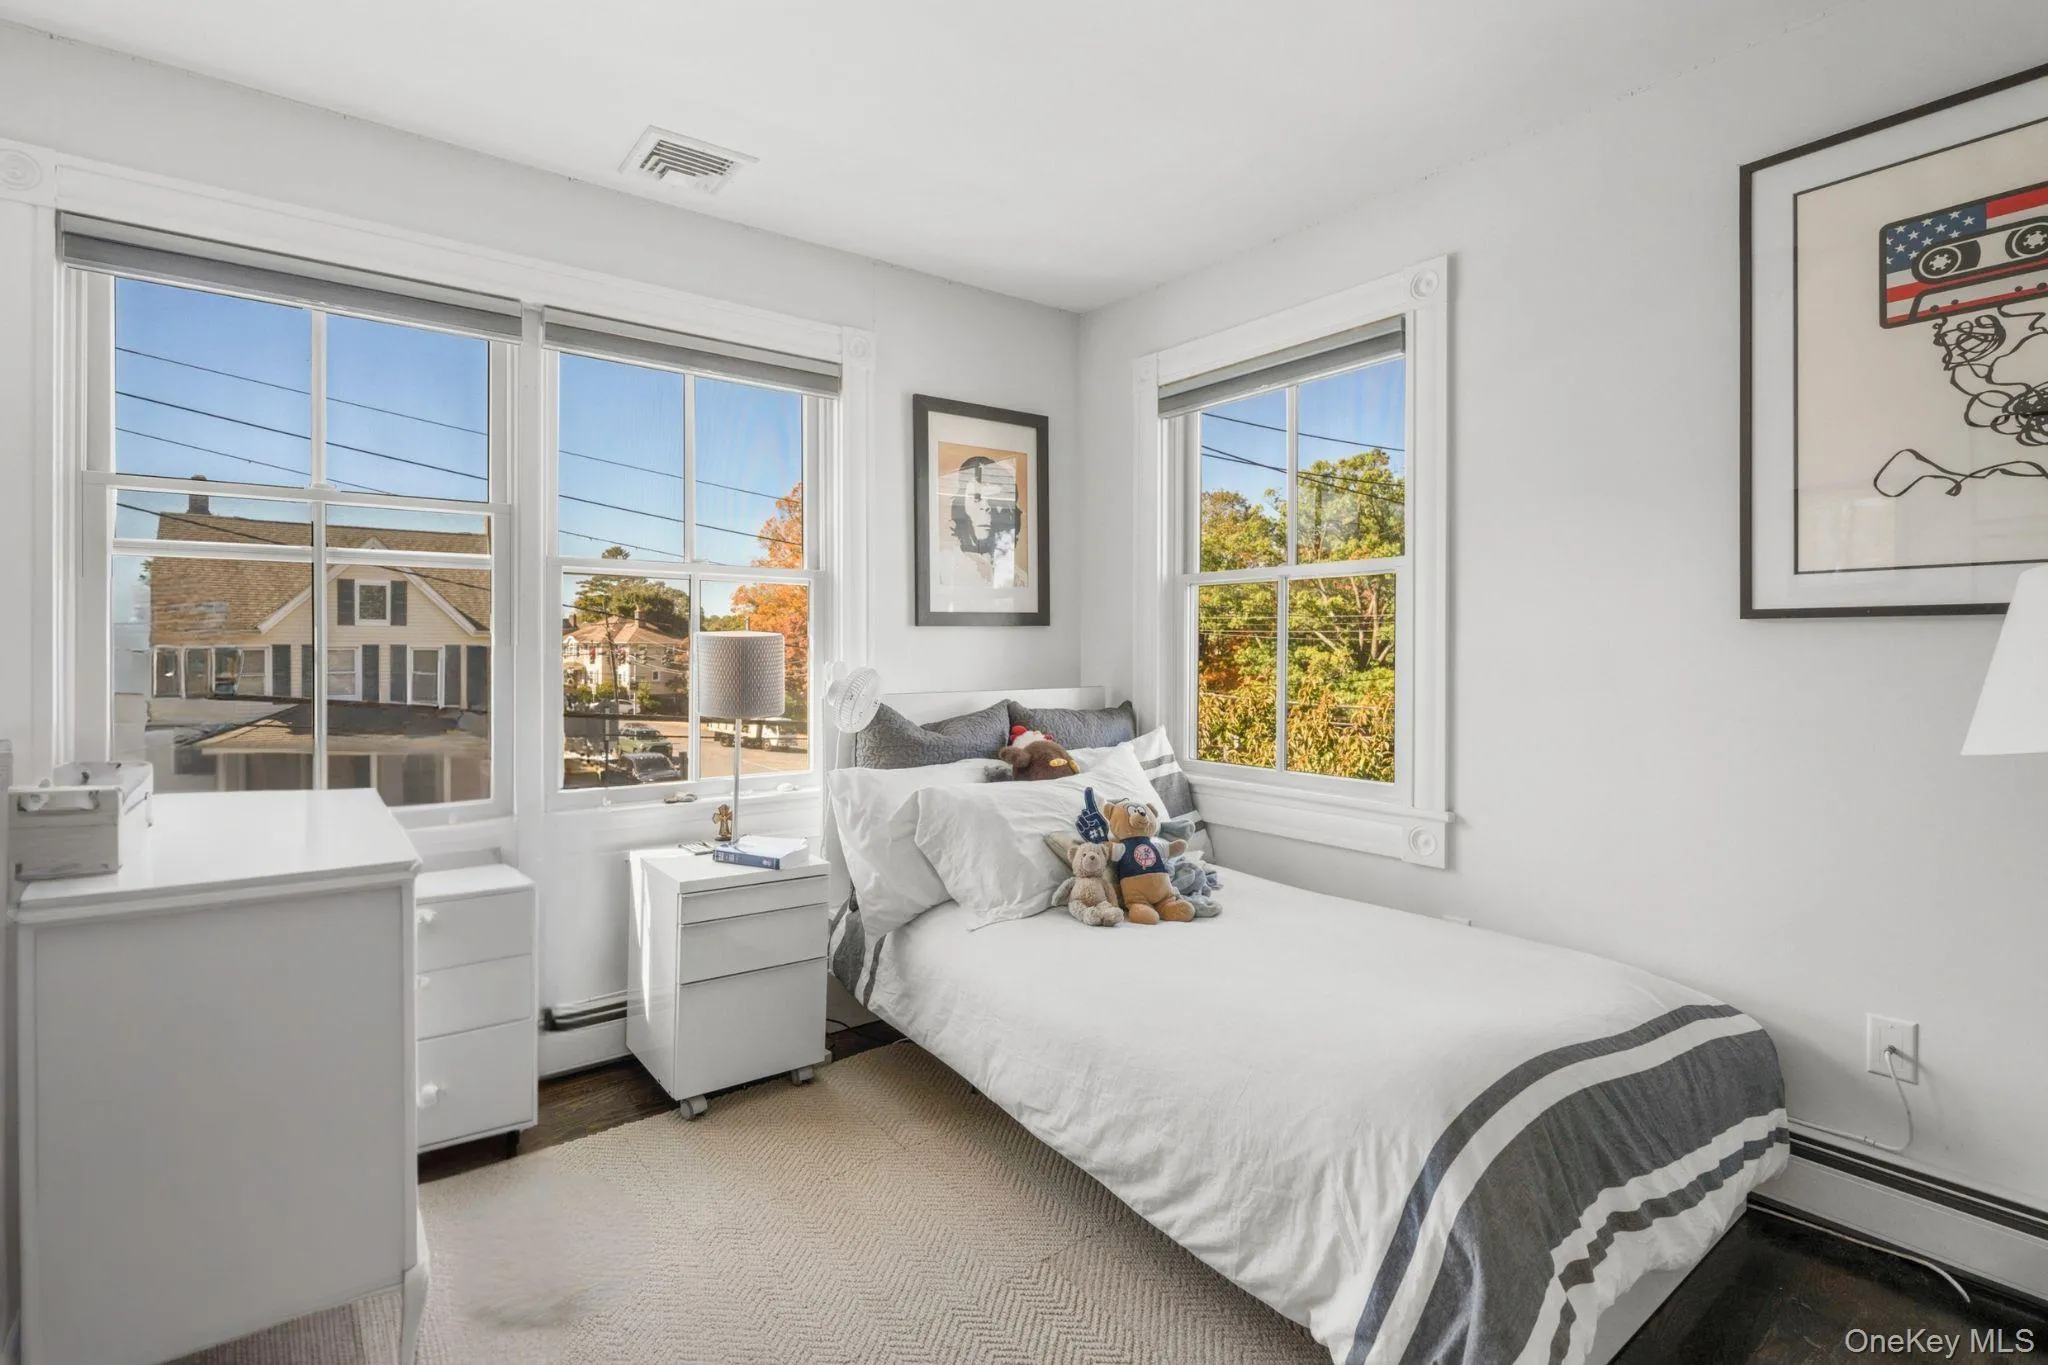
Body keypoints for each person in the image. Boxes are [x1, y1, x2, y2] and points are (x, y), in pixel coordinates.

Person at [933, 453, 1025, 591]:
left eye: (994, 500)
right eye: (976, 498)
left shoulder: (1019, 578)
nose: (986, 506)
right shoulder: (942, 568)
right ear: (961, 506)